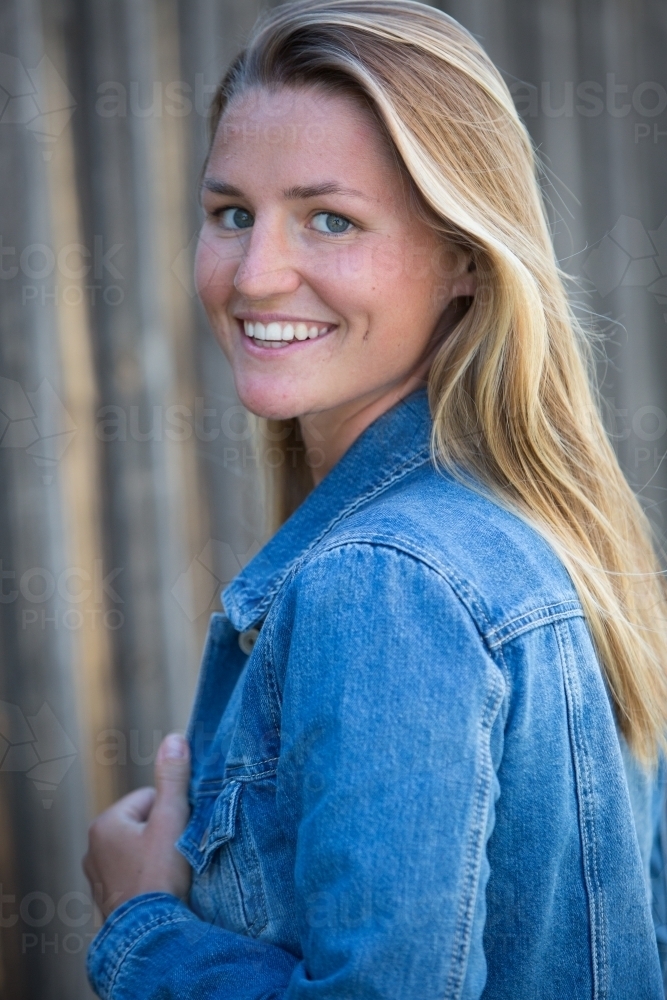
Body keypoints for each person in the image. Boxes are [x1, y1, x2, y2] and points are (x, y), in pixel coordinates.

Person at [82, 2, 667, 996]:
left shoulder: (385, 583)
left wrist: (140, 927)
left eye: (330, 220)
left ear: (464, 260)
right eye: (232, 214)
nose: (256, 275)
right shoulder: (547, 539)